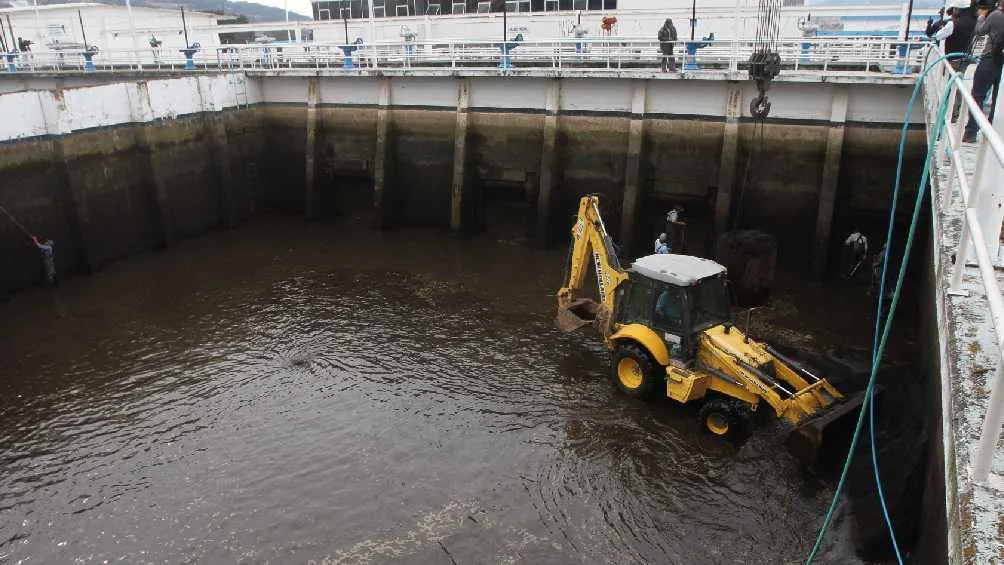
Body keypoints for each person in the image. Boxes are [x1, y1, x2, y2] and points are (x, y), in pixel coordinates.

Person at [963, 0, 1004, 143]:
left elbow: (980, 31)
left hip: (990, 60)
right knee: (997, 99)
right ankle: (992, 131)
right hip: (1001, 64)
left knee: (977, 96)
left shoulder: (997, 15)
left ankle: (971, 132)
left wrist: (981, 17)